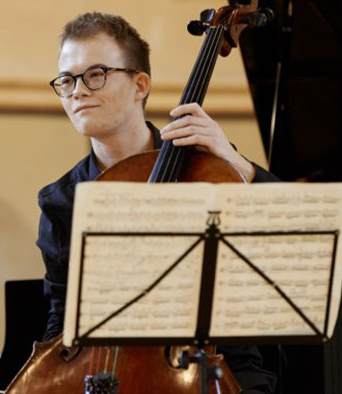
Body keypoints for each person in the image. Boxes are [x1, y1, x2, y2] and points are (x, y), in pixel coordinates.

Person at [36, 12, 278, 393]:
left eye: (95, 74)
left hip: (219, 368)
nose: (78, 91)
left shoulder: (205, 167)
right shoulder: (62, 200)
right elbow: (62, 318)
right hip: (106, 375)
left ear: (140, 84)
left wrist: (236, 164)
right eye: (66, 80)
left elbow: (287, 222)